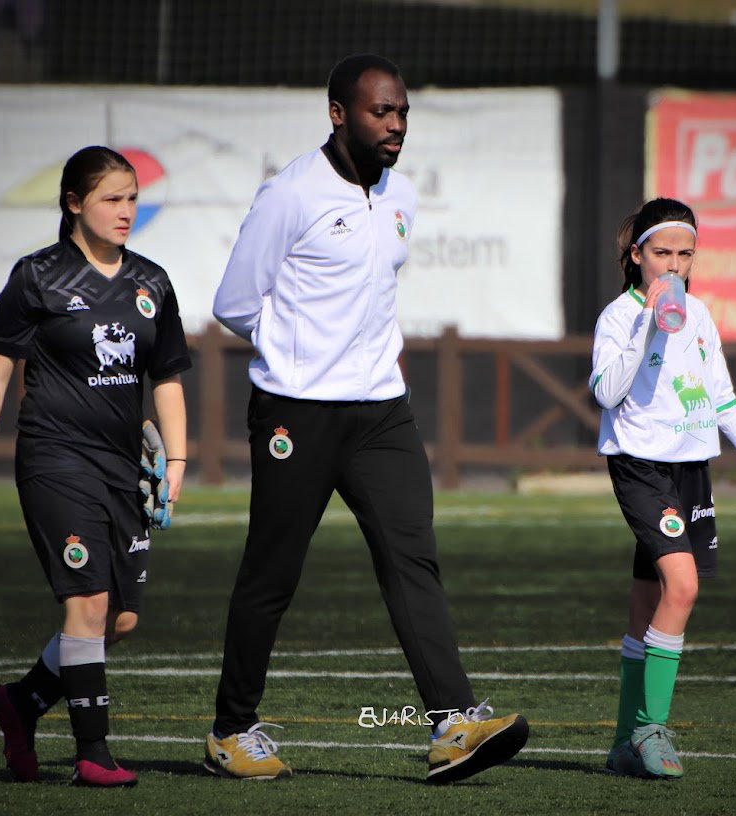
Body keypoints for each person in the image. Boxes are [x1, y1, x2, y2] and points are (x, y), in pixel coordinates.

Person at [206, 54, 528, 784]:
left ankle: (453, 724)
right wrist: (301, 356)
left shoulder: (402, 192)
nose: (395, 125)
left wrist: (364, 361)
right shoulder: (289, 195)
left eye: (403, 113)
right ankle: (231, 730)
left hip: (382, 413)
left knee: (413, 557)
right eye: (382, 112)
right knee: (272, 573)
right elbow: (234, 302)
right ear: (337, 113)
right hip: (296, 411)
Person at [0, 145, 190, 787]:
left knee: (120, 620)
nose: (125, 211)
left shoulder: (152, 281)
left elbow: (165, 377)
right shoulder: (37, 277)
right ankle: (94, 753)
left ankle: (21, 702)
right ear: (73, 203)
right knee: (86, 603)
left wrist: (178, 459)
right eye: (112, 198)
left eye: (133, 198)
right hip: (54, 458)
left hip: (122, 468)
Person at [589, 197, 736, 780]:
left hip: (690, 468)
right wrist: (648, 320)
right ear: (636, 255)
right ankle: (652, 726)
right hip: (641, 465)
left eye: (684, 254)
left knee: (647, 605)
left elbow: (721, 395)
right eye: (661, 253)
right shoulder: (618, 317)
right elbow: (606, 393)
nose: (672, 265)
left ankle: (624, 743)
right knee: (684, 586)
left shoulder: (698, 315)